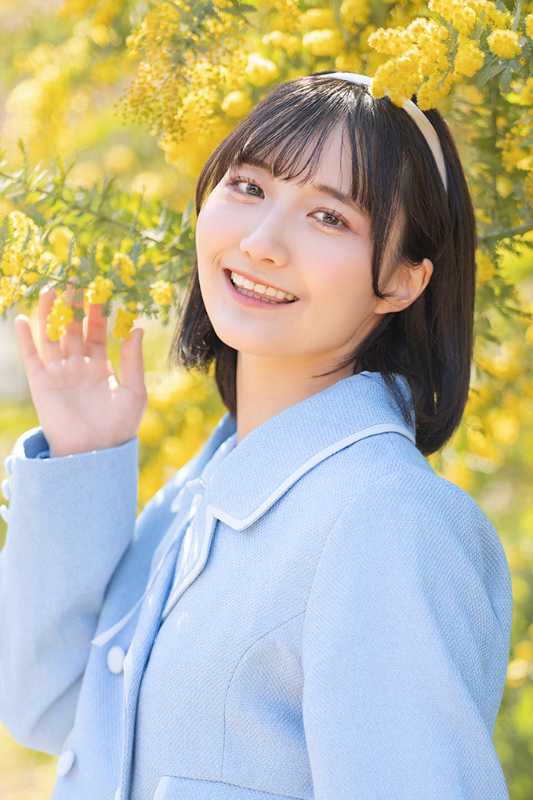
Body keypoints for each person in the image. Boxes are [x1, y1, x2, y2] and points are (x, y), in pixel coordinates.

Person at [0, 72, 513, 800]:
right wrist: (83, 462)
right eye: (248, 187)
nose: (262, 241)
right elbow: (49, 706)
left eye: (329, 217)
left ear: (402, 280)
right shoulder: (204, 488)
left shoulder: (386, 520)